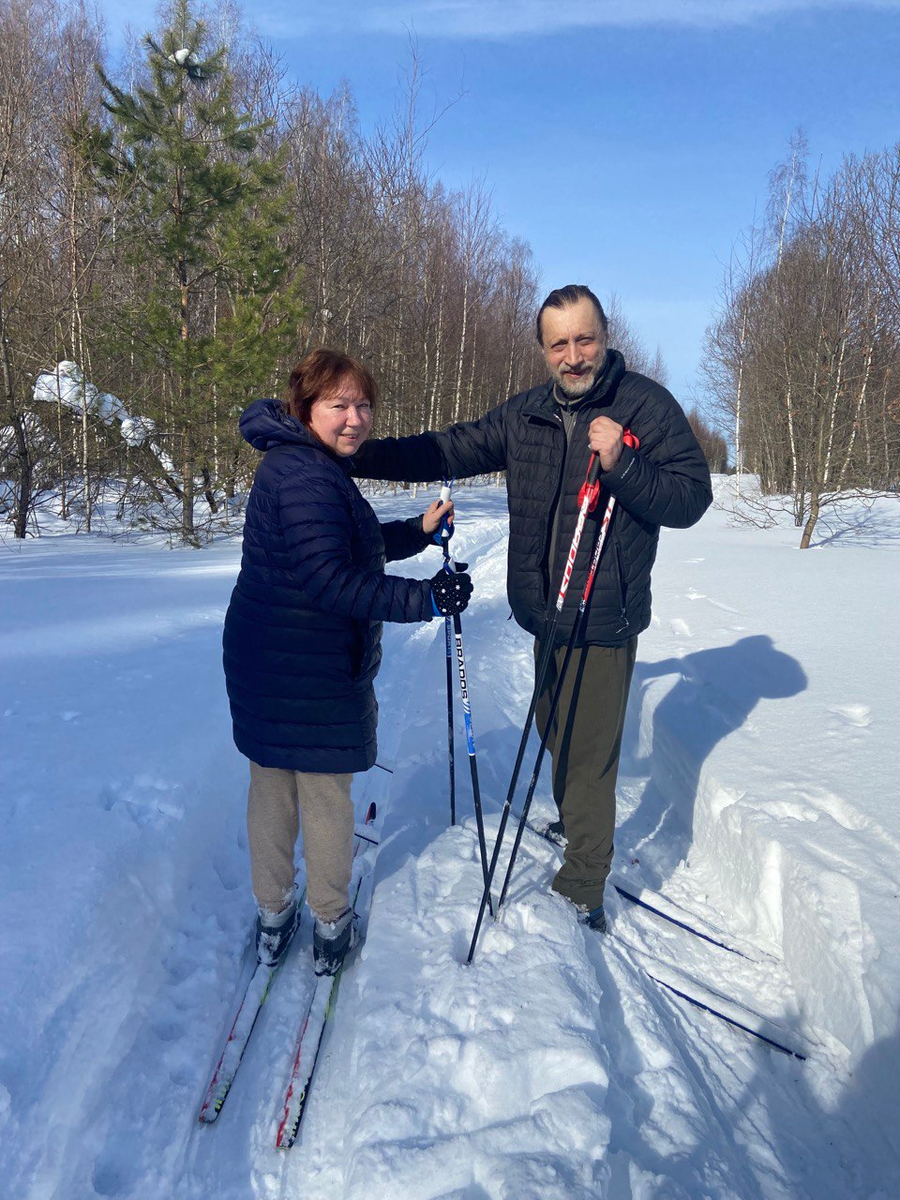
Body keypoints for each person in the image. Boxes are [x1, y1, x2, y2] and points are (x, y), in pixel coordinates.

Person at [351, 284, 713, 932]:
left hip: (603, 617)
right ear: (544, 350)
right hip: (545, 612)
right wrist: (359, 454)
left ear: (604, 335)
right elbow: (448, 448)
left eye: (584, 339)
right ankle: (574, 823)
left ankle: (582, 888)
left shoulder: (645, 407)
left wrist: (623, 463)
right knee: (555, 730)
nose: (573, 356)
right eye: (559, 344)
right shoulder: (526, 415)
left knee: (589, 755)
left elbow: (689, 499)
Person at [222, 349, 472, 975]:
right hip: (308, 666)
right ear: (306, 408)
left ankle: (274, 914)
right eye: (339, 405)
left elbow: (348, 542)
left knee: (272, 789)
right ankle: (330, 924)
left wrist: (416, 530)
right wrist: (427, 598)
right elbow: (332, 581)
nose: (355, 419)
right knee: (325, 798)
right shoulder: (308, 475)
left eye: (363, 405)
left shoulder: (303, 465)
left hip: (270, 660)